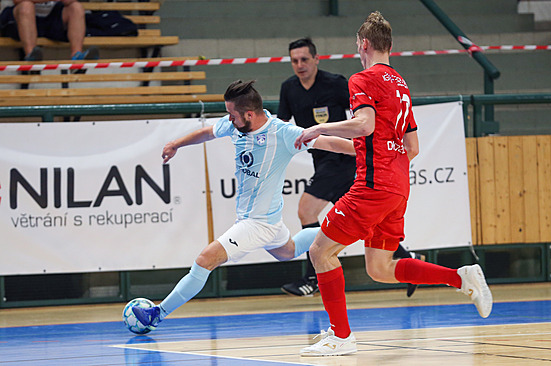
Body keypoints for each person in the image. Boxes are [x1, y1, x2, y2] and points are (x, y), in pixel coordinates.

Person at [295, 12, 493, 357]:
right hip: (397, 186)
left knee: (320, 251)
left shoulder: (362, 79)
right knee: (380, 268)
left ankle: (340, 336)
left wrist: (322, 128)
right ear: (391, 45)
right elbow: (409, 147)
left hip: (372, 187)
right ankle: (462, 277)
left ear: (364, 45)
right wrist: (316, 140)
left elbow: (364, 126)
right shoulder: (401, 85)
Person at [131, 80, 356, 329]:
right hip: (267, 221)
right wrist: (176, 144)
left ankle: (157, 314)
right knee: (288, 251)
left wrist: (371, 151)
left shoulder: (282, 133)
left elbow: (332, 143)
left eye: (233, 115)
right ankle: (346, 229)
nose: (229, 119)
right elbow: (208, 132)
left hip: (256, 224)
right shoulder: (236, 126)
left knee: (205, 259)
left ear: (250, 114)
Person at [277, 37, 423, 298]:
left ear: (316, 59)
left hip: (345, 158)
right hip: (322, 158)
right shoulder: (288, 88)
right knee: (368, 220)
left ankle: (312, 276)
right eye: (294, 61)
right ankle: (407, 258)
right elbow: (283, 122)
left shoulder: (336, 83)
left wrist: (327, 129)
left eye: (304, 60)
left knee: (306, 210)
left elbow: (365, 118)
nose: (300, 65)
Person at [0, 0, 98, 61]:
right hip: (21, 19)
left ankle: (77, 56)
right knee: (26, 6)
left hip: (51, 18)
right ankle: (31, 56)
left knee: (76, 7)